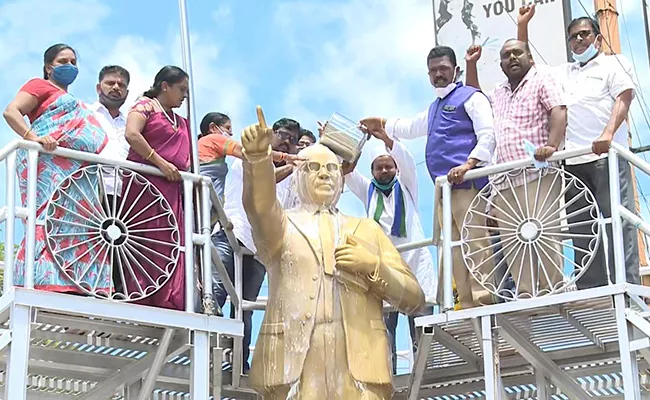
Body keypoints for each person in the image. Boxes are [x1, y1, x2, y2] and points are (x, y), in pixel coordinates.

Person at [241, 107, 424, 399]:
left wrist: (374, 268)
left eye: (332, 169)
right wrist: (257, 160)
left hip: (360, 373)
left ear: (342, 179)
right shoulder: (281, 227)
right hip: (293, 369)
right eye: (313, 168)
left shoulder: (367, 230)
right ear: (297, 175)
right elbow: (259, 206)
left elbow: (414, 299)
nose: (324, 174)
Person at [361, 46, 496, 309]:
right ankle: (467, 304)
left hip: (468, 185)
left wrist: (469, 164)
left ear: (455, 70)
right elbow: (410, 127)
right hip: (445, 190)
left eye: (443, 69)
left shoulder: (471, 97)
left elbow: (488, 135)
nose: (438, 75)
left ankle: (484, 302)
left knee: (475, 243)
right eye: (433, 71)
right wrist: (381, 124)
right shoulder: (434, 108)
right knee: (454, 248)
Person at [517, 5, 640, 289]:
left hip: (605, 157)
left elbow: (624, 97)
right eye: (573, 37)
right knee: (583, 229)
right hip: (572, 161)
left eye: (585, 34)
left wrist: (608, 133)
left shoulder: (613, 64)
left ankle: (627, 284)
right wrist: (523, 25)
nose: (579, 40)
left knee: (616, 222)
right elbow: (528, 63)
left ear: (597, 39)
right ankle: (592, 288)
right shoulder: (564, 72)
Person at [2, 43, 110, 294]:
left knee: (79, 223)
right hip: (49, 166)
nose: (70, 66)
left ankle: (76, 284)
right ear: (49, 67)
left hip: (77, 171)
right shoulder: (40, 86)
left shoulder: (77, 103)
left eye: (73, 62)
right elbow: (11, 112)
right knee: (49, 217)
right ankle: (41, 277)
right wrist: (32, 136)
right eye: (63, 62)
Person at [465, 40, 568, 298]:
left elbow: (558, 111)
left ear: (529, 57)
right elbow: (474, 99)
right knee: (515, 242)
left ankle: (552, 291)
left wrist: (551, 145)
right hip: (504, 180)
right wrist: (471, 65)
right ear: (500, 64)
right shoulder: (498, 91)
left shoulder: (542, 79)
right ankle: (525, 294)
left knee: (543, 235)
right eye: (506, 55)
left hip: (537, 172)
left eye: (517, 53)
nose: (512, 58)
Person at [211, 117, 301, 373]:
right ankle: (207, 349)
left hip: (259, 250)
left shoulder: (293, 181)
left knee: (246, 308)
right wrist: (291, 165)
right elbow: (264, 180)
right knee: (216, 293)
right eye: (283, 135)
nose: (287, 141)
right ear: (271, 135)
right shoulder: (248, 157)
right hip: (231, 236)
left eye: (293, 140)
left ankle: (238, 363)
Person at [344, 129, 436, 374]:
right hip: (384, 267)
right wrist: (350, 141)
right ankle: (389, 376)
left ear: (396, 169)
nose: (384, 171)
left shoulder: (407, 186)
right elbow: (348, 172)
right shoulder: (368, 191)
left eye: (388, 167)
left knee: (422, 323)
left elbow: (405, 159)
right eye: (379, 168)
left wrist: (383, 135)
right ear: (372, 171)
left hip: (414, 262)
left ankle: (425, 372)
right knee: (385, 328)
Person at [123, 65, 190, 311]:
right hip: (144, 185)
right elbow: (132, 134)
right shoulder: (146, 106)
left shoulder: (181, 121)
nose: (184, 95)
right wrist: (161, 163)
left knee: (170, 241)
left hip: (172, 190)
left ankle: (169, 299)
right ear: (165, 86)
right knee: (145, 239)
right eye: (181, 89)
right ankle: (141, 295)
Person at [90, 65, 130, 295]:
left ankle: (120, 295)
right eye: (110, 83)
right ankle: (93, 292)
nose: (116, 88)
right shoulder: (86, 112)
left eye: (121, 85)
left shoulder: (131, 123)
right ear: (98, 87)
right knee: (96, 242)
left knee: (122, 246)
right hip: (93, 188)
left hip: (126, 193)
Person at [198, 112, 299, 202]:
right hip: (234, 218)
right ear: (213, 128)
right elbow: (252, 153)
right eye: (227, 128)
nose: (231, 133)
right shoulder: (214, 139)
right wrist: (286, 157)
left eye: (293, 139)